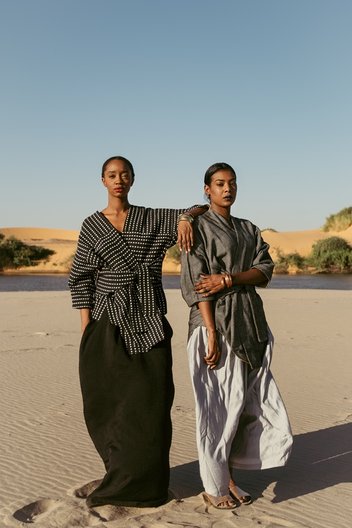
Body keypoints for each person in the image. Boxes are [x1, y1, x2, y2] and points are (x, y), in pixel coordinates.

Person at [68, 155, 207, 508]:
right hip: (106, 322)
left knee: (151, 405)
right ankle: (119, 475)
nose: (118, 180)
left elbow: (198, 207)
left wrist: (187, 218)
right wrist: (88, 329)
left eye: (124, 175)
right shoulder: (91, 225)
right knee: (110, 407)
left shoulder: (151, 217)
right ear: (103, 181)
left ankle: (149, 486)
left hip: (149, 319)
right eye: (112, 175)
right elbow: (81, 279)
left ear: (132, 179)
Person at [180, 162, 293, 510]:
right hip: (213, 324)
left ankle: (228, 474)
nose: (227, 189)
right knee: (216, 407)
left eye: (232, 183)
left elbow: (265, 270)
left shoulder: (248, 228)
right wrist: (211, 332)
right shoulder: (195, 227)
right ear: (207, 189)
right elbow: (197, 282)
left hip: (250, 322)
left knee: (243, 403)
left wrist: (228, 279)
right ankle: (214, 486)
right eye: (219, 183)